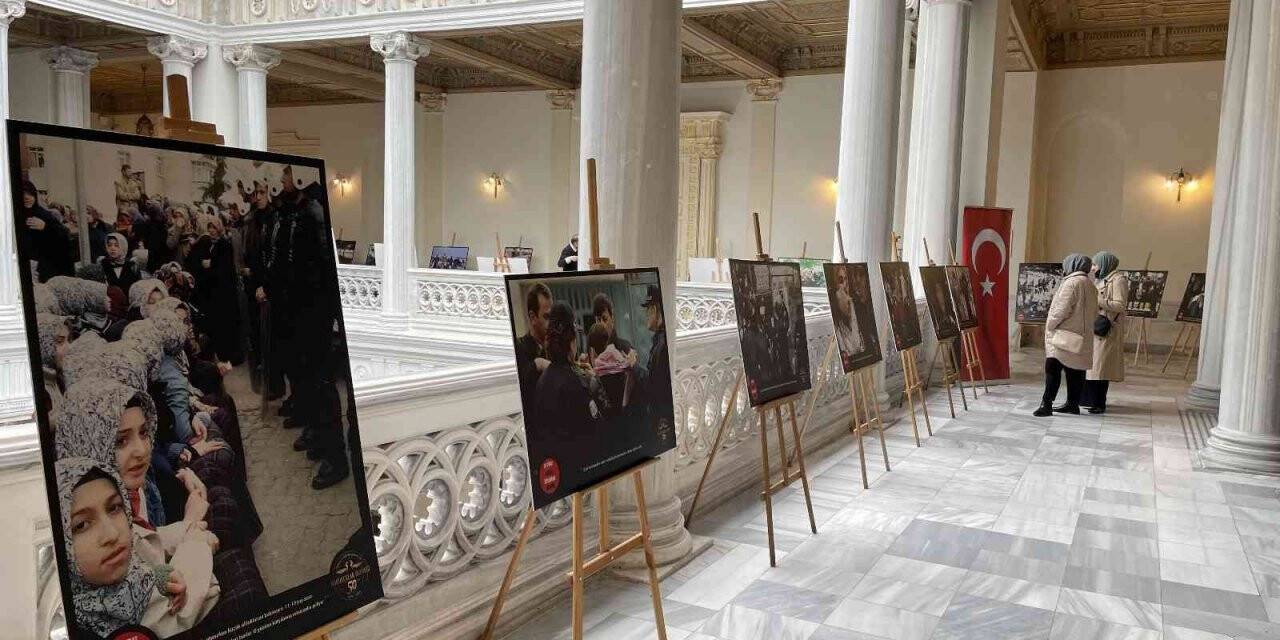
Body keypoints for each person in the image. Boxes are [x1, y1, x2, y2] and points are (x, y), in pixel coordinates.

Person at [55, 456, 218, 638]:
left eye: (114, 508)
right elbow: (180, 616)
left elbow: (145, 538)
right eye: (81, 525)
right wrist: (197, 542)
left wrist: (156, 575)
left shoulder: (113, 566)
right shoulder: (86, 623)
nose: (112, 534)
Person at [1035, 253, 1098, 417]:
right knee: (1076, 370)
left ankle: (1046, 404)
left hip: (1063, 335)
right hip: (1081, 337)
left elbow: (1060, 310)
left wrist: (1050, 325)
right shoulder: (1090, 285)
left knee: (1052, 368)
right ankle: (1072, 404)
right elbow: (1094, 313)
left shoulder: (1071, 283)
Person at [1084, 251, 1127, 414]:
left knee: (1101, 368)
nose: (1093, 268)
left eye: (1096, 264)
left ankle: (1099, 403)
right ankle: (1089, 400)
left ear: (1105, 264)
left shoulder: (1118, 280)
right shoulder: (1102, 279)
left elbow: (1120, 305)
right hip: (1096, 326)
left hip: (1107, 329)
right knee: (1093, 367)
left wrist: (1098, 300)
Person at [20, 180, 73, 282]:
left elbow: (64, 236)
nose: (27, 197)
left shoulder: (44, 215)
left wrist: (46, 227)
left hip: (45, 270)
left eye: (30, 193)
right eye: (23, 194)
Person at [515, 283, 552, 403]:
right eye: (546, 317)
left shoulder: (554, 347)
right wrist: (537, 364)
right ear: (532, 317)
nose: (551, 323)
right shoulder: (519, 348)